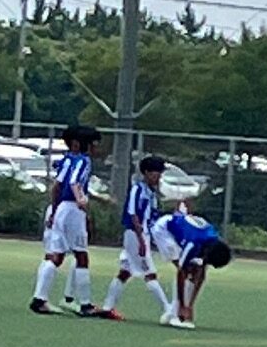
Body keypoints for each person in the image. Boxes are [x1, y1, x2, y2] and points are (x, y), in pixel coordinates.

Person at [30, 125, 100, 316]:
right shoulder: (83, 161)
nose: (96, 148)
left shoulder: (68, 160)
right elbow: (74, 182)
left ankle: (39, 299)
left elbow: (56, 187)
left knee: (56, 255)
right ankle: (85, 304)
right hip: (72, 210)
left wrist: (54, 211)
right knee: (81, 255)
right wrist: (80, 199)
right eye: (94, 144)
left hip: (61, 208)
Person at [97, 155, 173, 322]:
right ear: (146, 173)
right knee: (150, 273)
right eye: (156, 173)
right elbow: (133, 214)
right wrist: (141, 240)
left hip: (142, 235)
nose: (159, 176)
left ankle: (107, 308)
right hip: (135, 234)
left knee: (125, 272)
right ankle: (168, 310)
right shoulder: (138, 190)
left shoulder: (151, 193)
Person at [151, 210, 232, 329]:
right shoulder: (193, 244)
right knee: (186, 271)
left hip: (185, 232)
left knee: (195, 270)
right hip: (164, 230)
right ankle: (175, 314)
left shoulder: (212, 242)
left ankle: (177, 311)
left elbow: (201, 275)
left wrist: (190, 305)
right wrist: (183, 306)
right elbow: (180, 272)